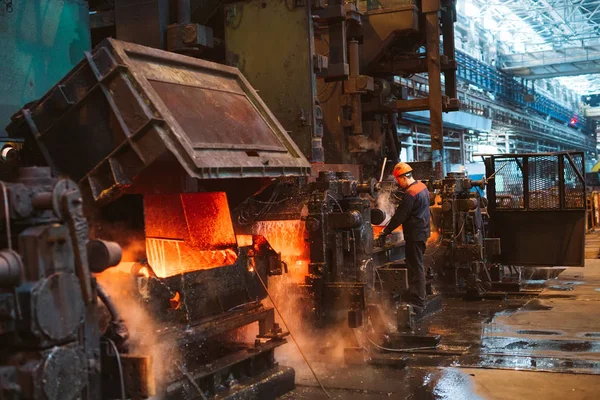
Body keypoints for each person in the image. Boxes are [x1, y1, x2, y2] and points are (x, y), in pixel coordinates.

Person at [378, 162, 431, 311]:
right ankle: (417, 295)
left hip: (414, 235)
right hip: (422, 232)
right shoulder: (422, 187)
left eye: (398, 180)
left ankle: (418, 301)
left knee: (415, 267)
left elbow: (400, 217)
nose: (398, 184)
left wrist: (386, 231)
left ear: (402, 177)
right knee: (417, 265)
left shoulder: (410, 194)